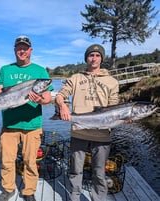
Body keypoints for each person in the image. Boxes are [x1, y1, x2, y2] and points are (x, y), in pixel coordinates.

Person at [0, 35, 53, 201]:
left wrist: (39, 99)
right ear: (14, 50)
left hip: (32, 125)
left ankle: (28, 191)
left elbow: (48, 98)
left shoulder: (40, 71)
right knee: (6, 160)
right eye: (19, 48)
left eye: (25, 48)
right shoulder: (5, 69)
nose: (22, 51)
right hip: (9, 125)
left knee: (30, 161)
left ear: (30, 51)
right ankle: (8, 189)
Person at [55, 44, 119, 201]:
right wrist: (63, 105)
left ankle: (99, 198)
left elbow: (114, 106)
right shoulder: (75, 78)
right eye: (91, 55)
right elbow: (60, 95)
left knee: (99, 172)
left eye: (98, 55)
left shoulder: (112, 81)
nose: (94, 58)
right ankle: (74, 197)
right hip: (79, 131)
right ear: (86, 58)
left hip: (102, 134)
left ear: (101, 58)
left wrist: (124, 117)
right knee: (76, 169)